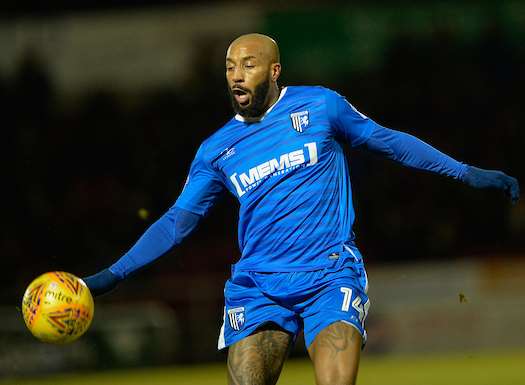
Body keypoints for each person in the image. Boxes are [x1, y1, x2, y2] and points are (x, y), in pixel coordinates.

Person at [83, 33, 520, 385]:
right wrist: (112, 275)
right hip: (259, 286)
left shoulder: (320, 106)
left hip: (329, 274)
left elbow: (387, 141)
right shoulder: (215, 151)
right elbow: (177, 222)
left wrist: (464, 172)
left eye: (248, 65)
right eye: (230, 67)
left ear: (274, 71)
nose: (237, 75)